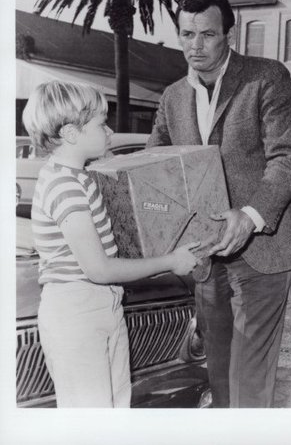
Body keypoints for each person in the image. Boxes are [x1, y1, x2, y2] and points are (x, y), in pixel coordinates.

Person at [149, 0, 291, 407]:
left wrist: (251, 215)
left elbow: (289, 157)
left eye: (207, 35)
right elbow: (155, 167)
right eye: (186, 35)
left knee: (248, 376)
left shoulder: (266, 77)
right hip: (205, 255)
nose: (195, 46)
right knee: (219, 374)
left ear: (229, 34)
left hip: (263, 247)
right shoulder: (172, 96)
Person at [22, 81, 199, 407]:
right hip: (77, 311)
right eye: (101, 124)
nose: (110, 131)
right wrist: (171, 261)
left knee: (114, 409)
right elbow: (100, 269)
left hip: (101, 305)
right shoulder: (65, 186)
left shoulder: (79, 176)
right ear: (71, 134)